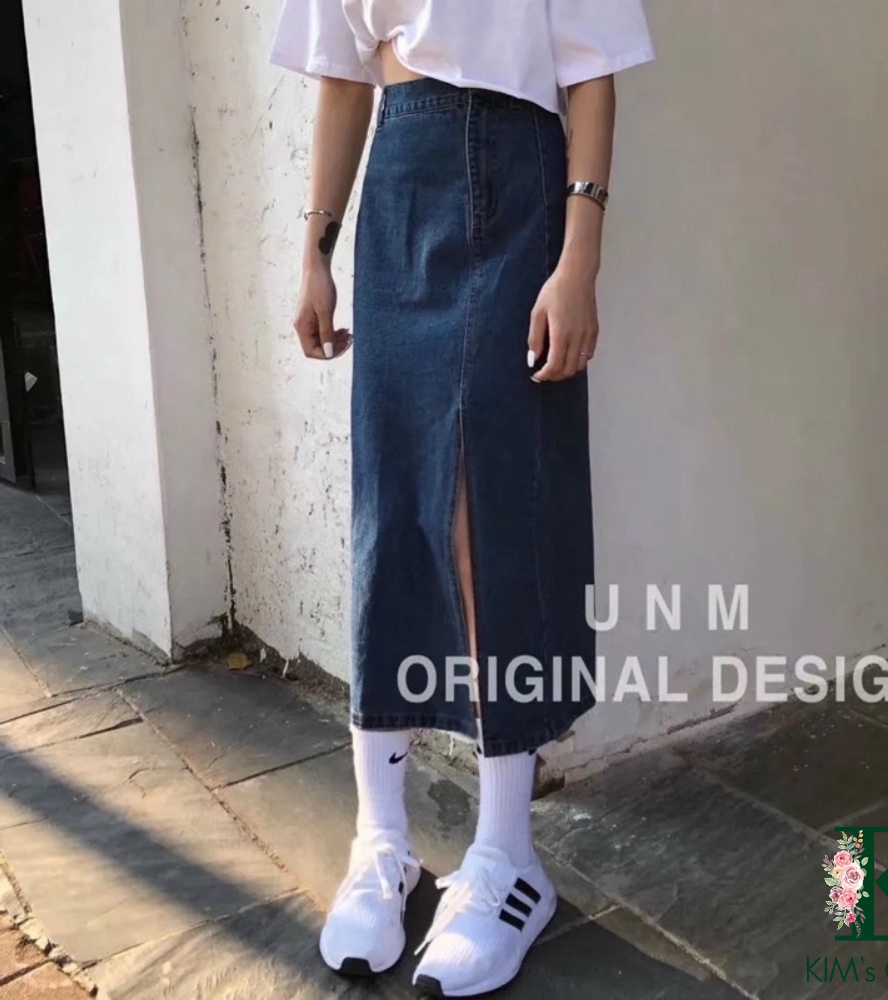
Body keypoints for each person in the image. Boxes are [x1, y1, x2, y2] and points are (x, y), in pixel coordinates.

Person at [269, 1, 654, 995]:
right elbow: (344, 77)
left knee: (491, 512)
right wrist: (314, 250)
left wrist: (579, 259)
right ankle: (382, 840)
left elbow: (593, 75)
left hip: (523, 185)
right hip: (401, 180)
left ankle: (505, 854)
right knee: (393, 505)